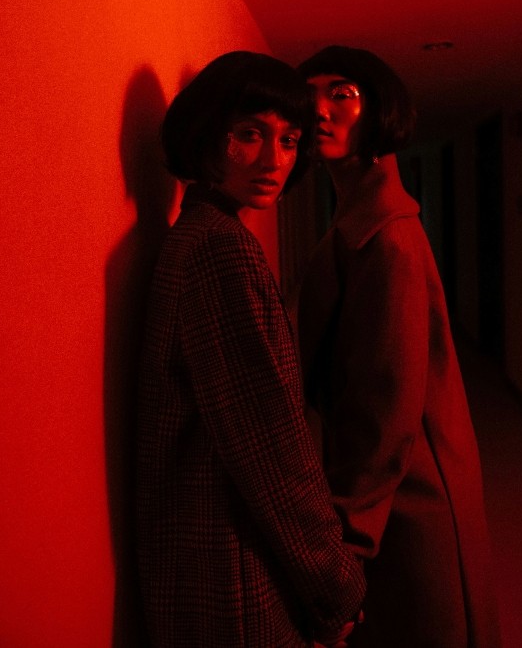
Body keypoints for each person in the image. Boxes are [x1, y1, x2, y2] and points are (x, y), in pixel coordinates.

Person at [135, 51, 364, 648]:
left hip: (212, 553)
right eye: (249, 135)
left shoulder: (201, 236)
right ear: (205, 133)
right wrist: (336, 584)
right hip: (231, 565)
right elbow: (267, 445)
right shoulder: (217, 250)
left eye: (289, 140)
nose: (275, 161)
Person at [295, 47, 499, 647]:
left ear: (378, 110)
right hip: (395, 497)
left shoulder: (388, 238)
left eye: (343, 95)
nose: (322, 112)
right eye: (310, 98)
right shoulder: (360, 221)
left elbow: (386, 410)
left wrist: (347, 549)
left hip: (409, 504)